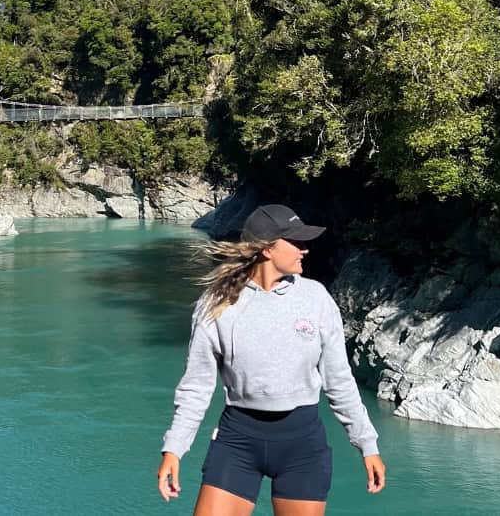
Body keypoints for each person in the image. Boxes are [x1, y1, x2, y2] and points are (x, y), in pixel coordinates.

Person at [156, 204, 386, 515]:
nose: (305, 250)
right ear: (267, 249)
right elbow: (196, 386)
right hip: (237, 441)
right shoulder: (217, 304)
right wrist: (174, 449)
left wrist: (366, 444)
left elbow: (339, 381)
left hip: (302, 446)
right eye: (296, 242)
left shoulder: (316, 299)